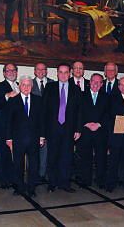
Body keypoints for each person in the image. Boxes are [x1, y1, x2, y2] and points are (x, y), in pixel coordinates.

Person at [43, 62, 82, 193]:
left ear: (70, 74)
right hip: (53, 128)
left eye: (66, 72)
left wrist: (78, 129)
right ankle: (52, 182)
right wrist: (43, 131)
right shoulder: (49, 87)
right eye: (61, 72)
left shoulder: (76, 89)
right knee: (52, 156)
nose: (64, 75)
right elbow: (44, 110)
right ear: (57, 73)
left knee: (66, 157)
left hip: (69, 129)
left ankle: (64, 182)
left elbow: (79, 111)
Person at [6, 76, 45, 197]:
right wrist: (8, 138)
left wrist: (42, 136)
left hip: (34, 138)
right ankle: (19, 187)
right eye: (23, 85)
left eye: (29, 85)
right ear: (19, 86)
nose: (26, 87)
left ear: (32, 87)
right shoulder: (13, 100)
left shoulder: (38, 100)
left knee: (34, 164)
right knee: (18, 164)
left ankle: (32, 187)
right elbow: (8, 121)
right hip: (18, 139)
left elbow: (42, 120)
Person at [78, 73, 110, 189]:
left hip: (100, 131)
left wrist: (98, 124)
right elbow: (78, 112)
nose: (95, 83)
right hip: (85, 130)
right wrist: (86, 123)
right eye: (93, 81)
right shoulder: (81, 95)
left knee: (101, 157)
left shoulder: (107, 97)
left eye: (98, 82)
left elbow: (108, 114)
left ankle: (101, 180)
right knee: (85, 157)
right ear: (89, 82)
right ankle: (85, 180)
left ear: (101, 84)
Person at [0, 63, 19, 189]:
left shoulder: (21, 86)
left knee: (16, 154)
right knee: (4, 153)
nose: (11, 72)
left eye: (13, 70)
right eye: (8, 70)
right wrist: (7, 96)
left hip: (18, 127)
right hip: (4, 125)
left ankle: (14, 178)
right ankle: (4, 180)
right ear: (4, 73)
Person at [31, 62, 53, 183]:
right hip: (33, 123)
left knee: (45, 150)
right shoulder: (29, 83)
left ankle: (41, 174)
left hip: (48, 123)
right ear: (34, 71)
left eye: (43, 69)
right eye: (38, 69)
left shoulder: (52, 83)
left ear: (46, 71)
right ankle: (32, 173)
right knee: (32, 150)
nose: (41, 71)